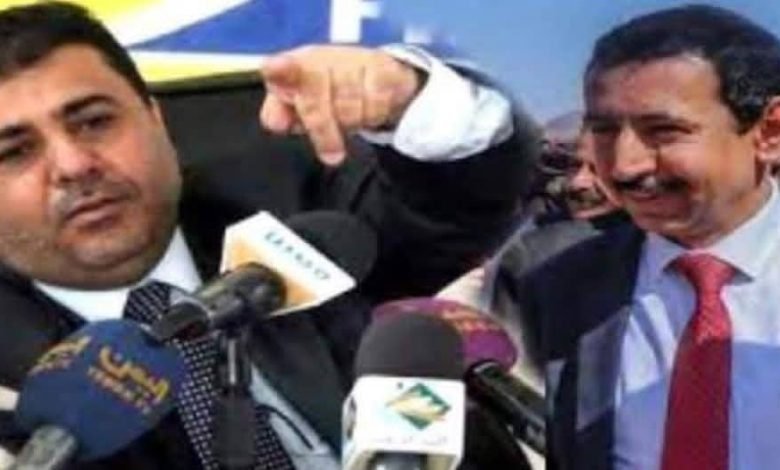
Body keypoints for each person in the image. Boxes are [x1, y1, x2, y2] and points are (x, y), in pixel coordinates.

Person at [0, 2, 537, 469]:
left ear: (155, 119)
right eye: (15, 151)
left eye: (94, 122)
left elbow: (461, 199)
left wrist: (407, 97)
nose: (73, 165)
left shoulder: (290, 200)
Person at [510, 5, 780, 469]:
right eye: (604, 131)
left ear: (769, 133)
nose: (623, 165)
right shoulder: (555, 282)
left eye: (663, 131)